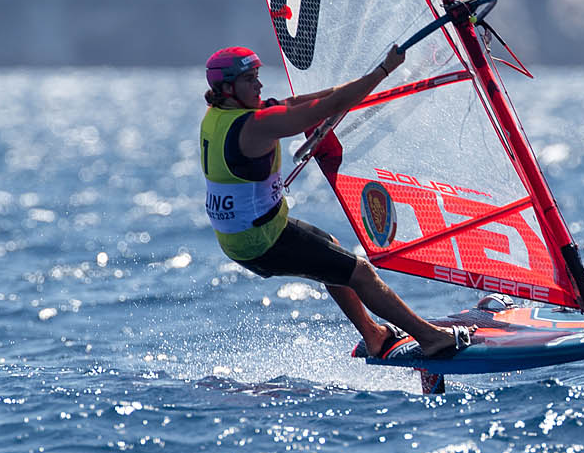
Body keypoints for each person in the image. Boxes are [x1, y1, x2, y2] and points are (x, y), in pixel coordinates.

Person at [199, 45, 470, 359]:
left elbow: (305, 101)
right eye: (249, 79)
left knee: (331, 246)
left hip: (247, 234)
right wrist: (385, 71)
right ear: (227, 89)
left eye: (257, 76)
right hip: (261, 241)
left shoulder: (220, 115)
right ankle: (431, 338)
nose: (259, 85)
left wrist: (367, 80)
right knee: (361, 273)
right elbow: (327, 107)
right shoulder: (257, 125)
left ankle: (375, 336)